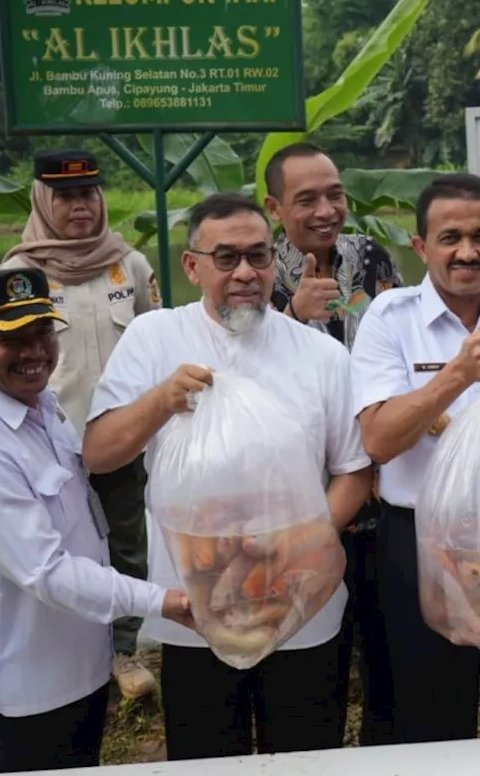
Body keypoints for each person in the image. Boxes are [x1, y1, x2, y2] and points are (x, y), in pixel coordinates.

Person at [82, 193, 374, 760]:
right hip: (197, 610)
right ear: (192, 267)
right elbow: (100, 453)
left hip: (301, 605)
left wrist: (291, 551)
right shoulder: (153, 338)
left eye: (259, 257)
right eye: (226, 258)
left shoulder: (320, 355)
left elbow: (354, 472)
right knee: (209, 757)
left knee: (306, 754)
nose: (246, 273)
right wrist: (161, 400)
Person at [0, 267, 191, 775]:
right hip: (18, 693)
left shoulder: (40, 404)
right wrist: (164, 601)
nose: (35, 351)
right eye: (12, 339)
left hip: (73, 673)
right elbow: (47, 571)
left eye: (43, 331)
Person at [348, 173, 480, 743]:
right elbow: (377, 440)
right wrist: (457, 376)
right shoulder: (389, 320)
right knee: (431, 715)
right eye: (449, 238)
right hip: (421, 541)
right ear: (420, 246)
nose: (466, 252)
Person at [0, 149, 161, 699]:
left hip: (120, 437)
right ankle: (67, 651)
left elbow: (154, 342)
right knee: (59, 548)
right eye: (66, 196)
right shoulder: (19, 277)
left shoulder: (130, 264)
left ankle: (123, 651)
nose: (80, 207)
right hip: (48, 444)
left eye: (89, 193)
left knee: (126, 544)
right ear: (44, 200)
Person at [264, 142, 401, 745]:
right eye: (307, 199)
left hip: (379, 486)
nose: (326, 209)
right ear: (274, 206)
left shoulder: (370, 256)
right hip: (299, 494)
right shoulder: (254, 269)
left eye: (335, 194)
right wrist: (291, 315)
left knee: (387, 650)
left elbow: (401, 342)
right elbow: (236, 377)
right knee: (309, 662)